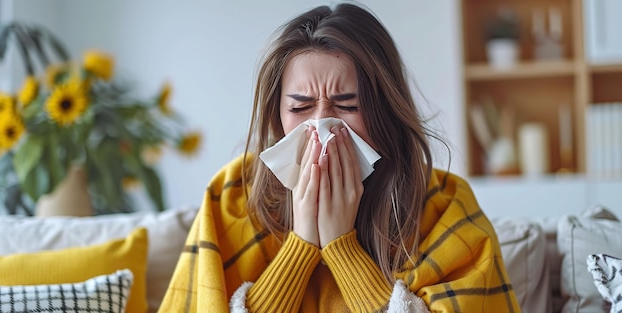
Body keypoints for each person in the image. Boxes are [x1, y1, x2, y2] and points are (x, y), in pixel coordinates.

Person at [160, 3, 520, 312]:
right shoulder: (234, 195)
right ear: (276, 114)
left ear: (385, 110)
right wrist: (301, 245)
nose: (321, 127)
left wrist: (341, 246)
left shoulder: (444, 204)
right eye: (300, 107)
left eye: (347, 106)